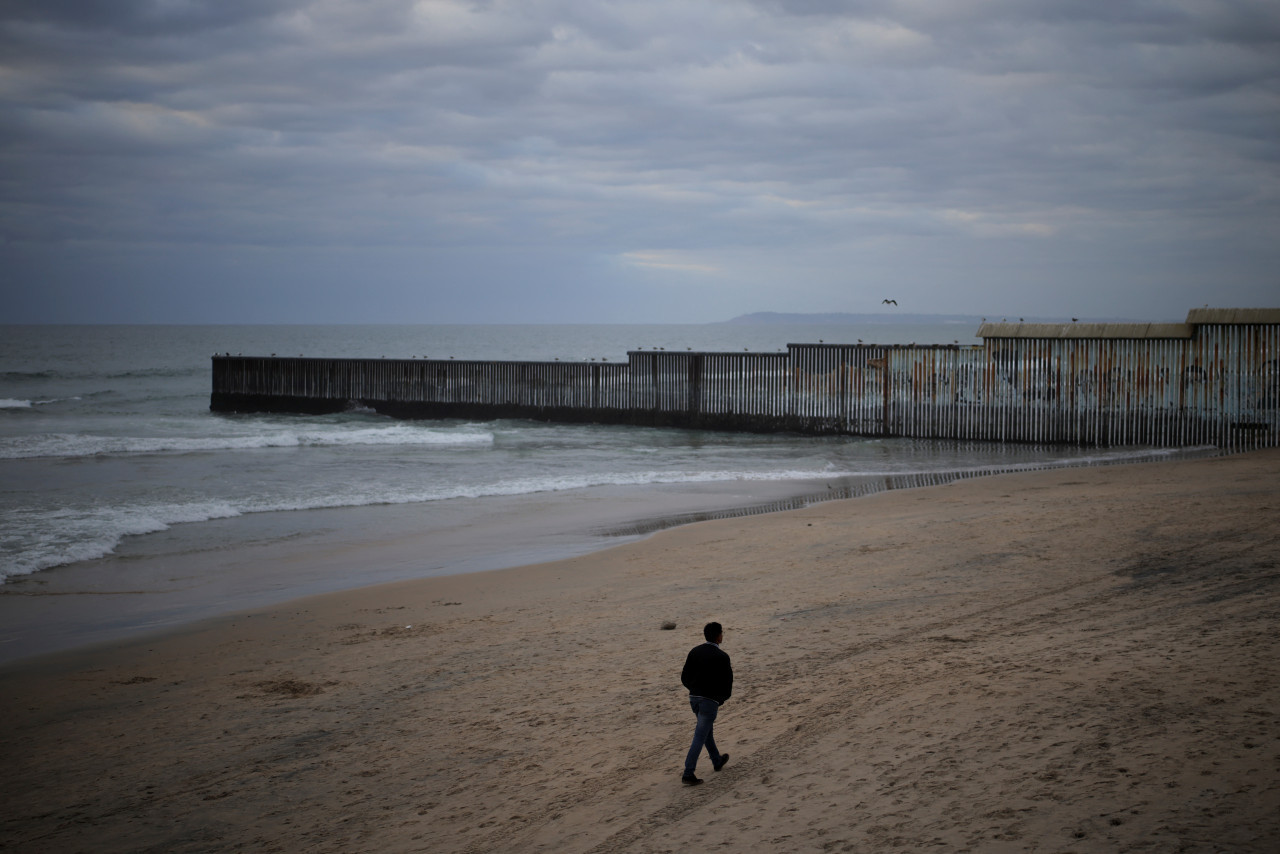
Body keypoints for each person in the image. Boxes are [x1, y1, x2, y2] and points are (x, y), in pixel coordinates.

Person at [680, 621, 733, 785]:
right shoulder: (722, 657)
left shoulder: (695, 651)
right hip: (709, 701)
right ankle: (688, 773)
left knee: (705, 731)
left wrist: (694, 690)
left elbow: (684, 677)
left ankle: (717, 760)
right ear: (718, 636)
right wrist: (721, 699)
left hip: (694, 698)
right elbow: (728, 683)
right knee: (700, 735)